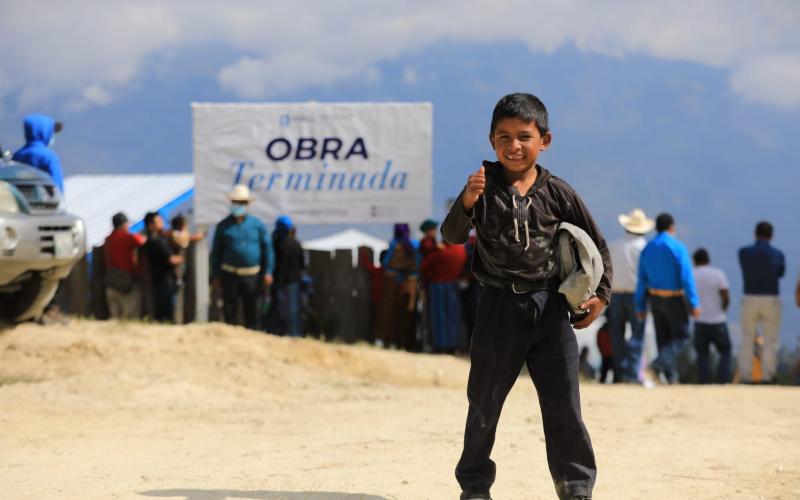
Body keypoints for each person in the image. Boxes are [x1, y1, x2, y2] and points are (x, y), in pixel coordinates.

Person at [442, 93, 611, 500]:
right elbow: (450, 237)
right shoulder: (481, 187)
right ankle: (475, 487)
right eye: (504, 137)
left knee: (564, 406)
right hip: (498, 308)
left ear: (544, 141)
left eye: (524, 136)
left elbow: (598, 248)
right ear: (491, 140)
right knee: (484, 403)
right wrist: (467, 201)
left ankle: (575, 487)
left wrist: (600, 297)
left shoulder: (559, 193)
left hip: (550, 309)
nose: (513, 146)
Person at [635, 213, 700, 384]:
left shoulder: (647, 249)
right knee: (681, 337)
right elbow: (686, 277)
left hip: (654, 298)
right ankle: (658, 366)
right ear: (672, 228)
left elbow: (641, 279)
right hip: (674, 299)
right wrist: (694, 303)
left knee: (663, 338)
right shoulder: (677, 247)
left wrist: (640, 306)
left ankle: (671, 378)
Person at [210, 184, 274, 331]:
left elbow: (267, 250)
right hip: (229, 274)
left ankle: (253, 338)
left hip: (252, 275)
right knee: (229, 309)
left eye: (242, 203)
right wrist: (216, 275)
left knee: (252, 310)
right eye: (235, 202)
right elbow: (216, 253)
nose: (238, 205)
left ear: (247, 204)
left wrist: (268, 272)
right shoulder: (223, 226)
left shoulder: (257, 225)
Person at [606, 208, 653, 383]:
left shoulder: (614, 246)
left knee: (616, 335)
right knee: (637, 334)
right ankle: (632, 374)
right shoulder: (645, 248)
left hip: (615, 295)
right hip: (637, 295)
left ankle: (619, 372)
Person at [738, 221, 785, 384]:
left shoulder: (744, 253)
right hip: (771, 298)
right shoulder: (777, 254)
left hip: (750, 297)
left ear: (755, 233)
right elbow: (780, 273)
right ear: (771, 236)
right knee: (770, 339)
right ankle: (767, 375)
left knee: (747, 337)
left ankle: (745, 375)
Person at [373, 224, 420, 350]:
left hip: (391, 280)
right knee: (400, 312)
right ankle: (396, 341)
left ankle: (381, 339)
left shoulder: (394, 244)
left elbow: (386, 262)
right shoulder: (415, 245)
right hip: (407, 282)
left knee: (386, 310)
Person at [692, 248, 732, 384]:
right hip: (718, 320)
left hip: (700, 320)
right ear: (708, 260)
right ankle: (723, 379)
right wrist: (723, 309)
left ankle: (704, 381)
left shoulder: (692, 274)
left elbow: (687, 297)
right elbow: (725, 295)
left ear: (695, 261)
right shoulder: (718, 274)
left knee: (702, 354)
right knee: (725, 351)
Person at [421, 241, 468, 353]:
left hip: (437, 285)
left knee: (439, 316)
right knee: (452, 316)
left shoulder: (440, 251)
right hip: (453, 284)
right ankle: (453, 345)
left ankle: (440, 345)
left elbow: (424, 265)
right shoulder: (461, 250)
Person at [267, 215, 304, 337]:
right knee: (293, 310)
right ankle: (295, 334)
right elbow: (302, 264)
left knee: (279, 309)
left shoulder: (275, 243)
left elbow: (274, 263)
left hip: (279, 281)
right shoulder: (296, 243)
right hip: (293, 281)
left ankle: (279, 333)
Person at [103, 212, 145, 319]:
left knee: (115, 318)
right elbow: (142, 241)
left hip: (111, 282)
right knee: (131, 317)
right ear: (123, 224)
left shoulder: (108, 239)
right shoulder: (128, 237)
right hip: (126, 283)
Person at [142, 212, 183, 323]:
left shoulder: (148, 240)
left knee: (158, 311)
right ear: (151, 225)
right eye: (159, 221)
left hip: (155, 279)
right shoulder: (158, 240)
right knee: (166, 313)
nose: (162, 223)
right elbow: (172, 259)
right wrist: (182, 258)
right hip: (165, 280)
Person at [12, 114, 64, 193]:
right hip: (43, 203)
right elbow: (57, 186)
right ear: (45, 132)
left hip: (19, 202)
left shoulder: (17, 156)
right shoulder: (50, 157)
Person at [596, 319, 614, 383]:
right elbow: (598, 343)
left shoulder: (600, 331)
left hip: (606, 354)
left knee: (604, 370)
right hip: (609, 354)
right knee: (605, 371)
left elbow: (598, 343)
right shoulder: (612, 331)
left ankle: (603, 381)